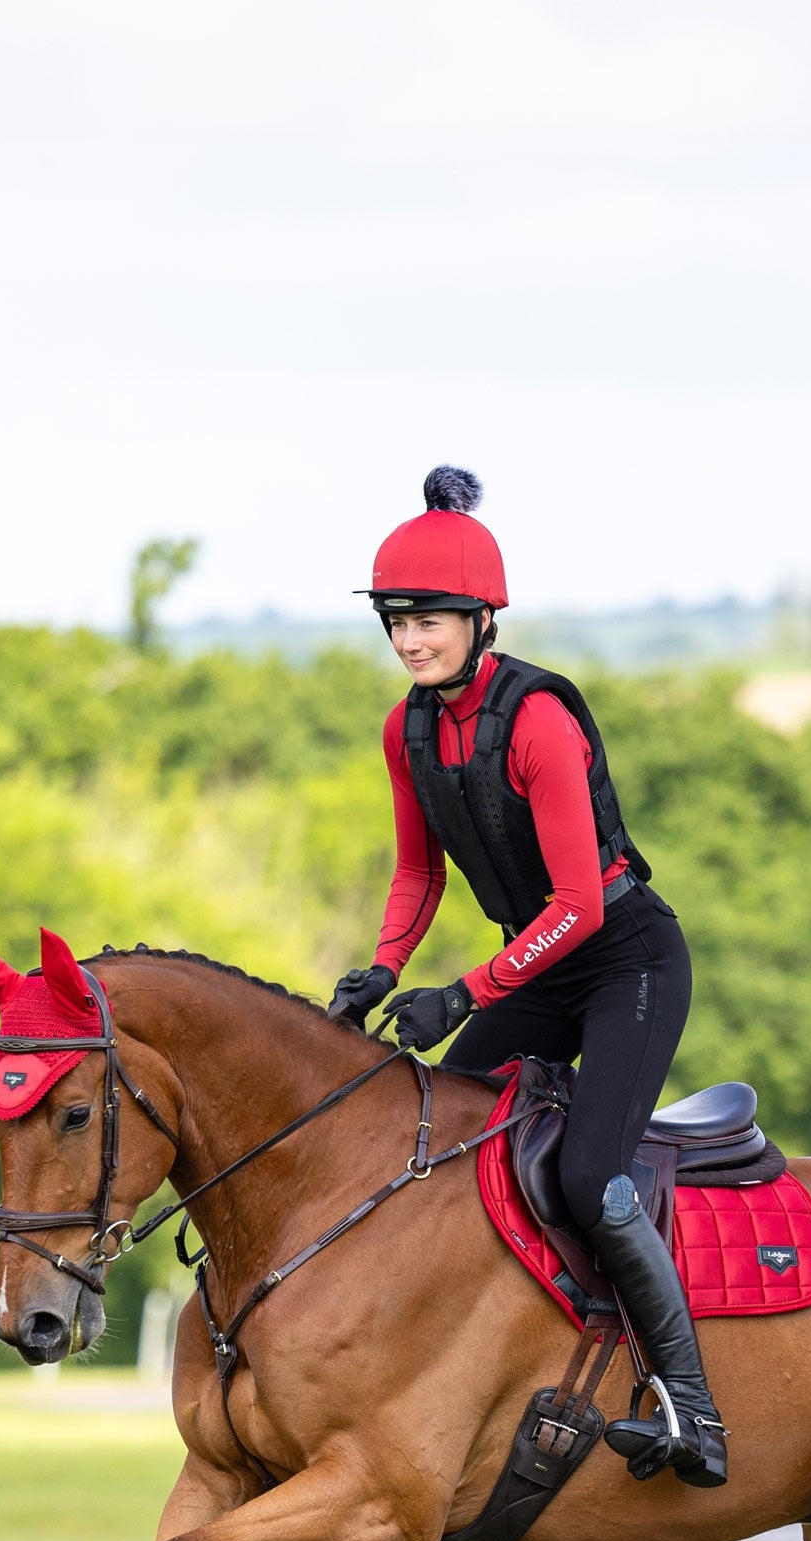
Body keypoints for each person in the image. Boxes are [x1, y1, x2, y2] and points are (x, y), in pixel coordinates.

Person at [330, 467, 727, 1488]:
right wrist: (378, 972)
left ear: (479, 619)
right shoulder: (406, 728)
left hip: (624, 960)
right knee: (443, 1148)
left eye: (427, 620)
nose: (410, 640)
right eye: (395, 623)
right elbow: (419, 871)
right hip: (536, 967)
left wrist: (462, 994)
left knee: (590, 1178)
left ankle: (690, 1407)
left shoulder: (539, 721)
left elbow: (582, 907)